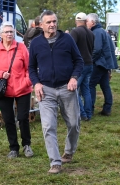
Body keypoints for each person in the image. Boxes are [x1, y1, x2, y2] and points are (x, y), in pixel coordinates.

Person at [29, 10, 84, 174]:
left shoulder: (67, 39)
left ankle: (68, 151)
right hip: (46, 91)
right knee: (48, 126)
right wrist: (36, 83)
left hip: (67, 88)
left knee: (74, 124)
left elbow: (79, 61)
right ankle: (55, 162)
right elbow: (31, 68)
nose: (52, 25)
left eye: (54, 21)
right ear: (41, 25)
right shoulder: (36, 44)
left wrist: (74, 78)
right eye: (48, 22)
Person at [0, 21, 34, 159]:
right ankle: (13, 148)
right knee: (8, 120)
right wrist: (0, 74)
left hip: (23, 89)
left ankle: (27, 145)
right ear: (0, 34)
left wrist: (26, 82)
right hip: (4, 91)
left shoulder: (21, 48)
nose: (9, 34)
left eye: (11, 31)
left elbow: (29, 68)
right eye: (6, 32)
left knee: (22, 118)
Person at [86, 13, 118, 116]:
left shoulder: (97, 32)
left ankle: (90, 109)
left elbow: (97, 49)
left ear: (93, 22)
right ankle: (107, 108)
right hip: (105, 64)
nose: (86, 23)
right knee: (105, 86)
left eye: (87, 21)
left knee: (91, 84)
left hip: (99, 63)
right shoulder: (104, 32)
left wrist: (90, 60)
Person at [70, 12, 94, 121]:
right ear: (85, 21)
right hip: (89, 63)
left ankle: (82, 114)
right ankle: (88, 113)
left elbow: (70, 47)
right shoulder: (90, 33)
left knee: (74, 90)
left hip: (80, 65)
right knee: (86, 90)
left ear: (76, 21)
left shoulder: (75, 32)